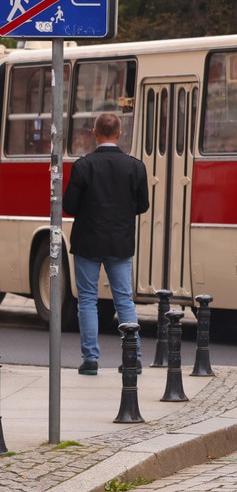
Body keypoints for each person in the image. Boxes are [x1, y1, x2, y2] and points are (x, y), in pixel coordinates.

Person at [61, 112, 150, 375]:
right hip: (120, 243)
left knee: (87, 300)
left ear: (95, 133)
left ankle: (90, 359)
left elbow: (69, 206)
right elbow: (143, 205)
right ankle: (133, 357)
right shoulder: (135, 167)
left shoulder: (83, 166)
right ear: (119, 134)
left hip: (87, 242)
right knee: (124, 300)